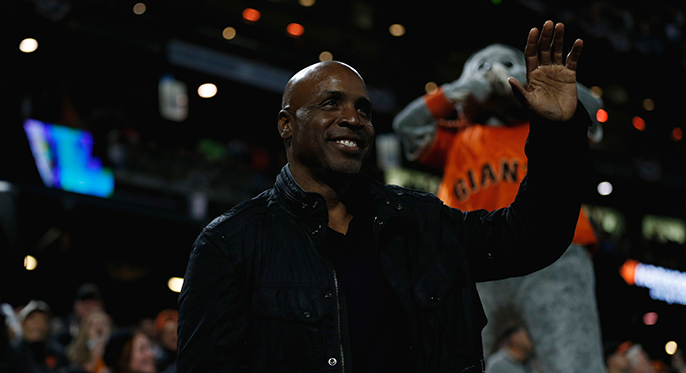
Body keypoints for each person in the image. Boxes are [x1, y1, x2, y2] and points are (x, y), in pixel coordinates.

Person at [177, 20, 591, 372]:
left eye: (363, 110)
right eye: (330, 103)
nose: (352, 119)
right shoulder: (230, 244)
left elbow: (532, 237)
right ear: (287, 124)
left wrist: (557, 133)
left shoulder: (421, 223)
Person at [392, 42, 606, 372]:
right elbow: (406, 125)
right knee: (445, 361)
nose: (494, 74)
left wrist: (530, 81)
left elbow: (592, 112)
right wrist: (458, 90)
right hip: (472, 258)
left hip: (554, 254)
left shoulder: (548, 126)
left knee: (573, 364)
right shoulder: (459, 137)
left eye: (504, 65)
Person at [52, 284, 105, 350]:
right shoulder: (63, 325)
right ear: (76, 305)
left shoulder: (110, 328)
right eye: (85, 302)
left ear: (101, 305)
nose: (89, 306)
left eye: (93, 301)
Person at [63, 308, 111, 373]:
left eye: (103, 324)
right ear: (85, 329)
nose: (99, 329)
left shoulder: (117, 350)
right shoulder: (75, 352)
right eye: (94, 325)